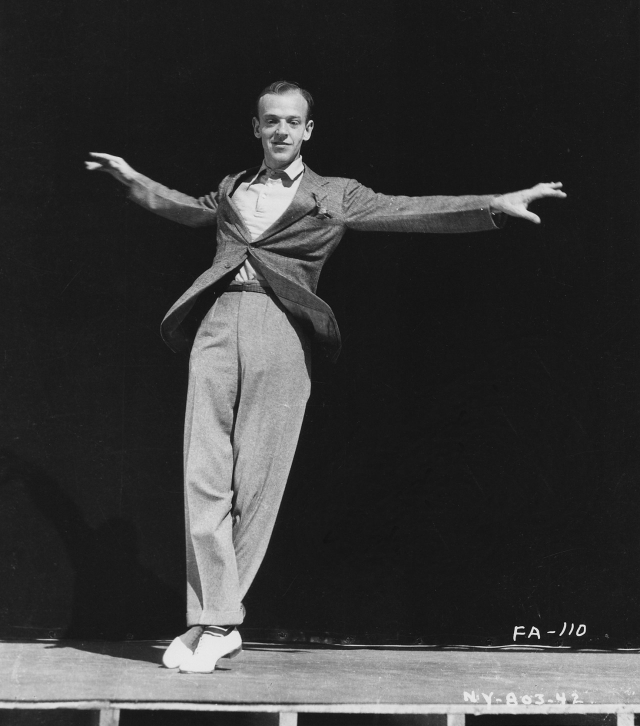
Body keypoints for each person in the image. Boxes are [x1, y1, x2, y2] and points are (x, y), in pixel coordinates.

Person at [85, 80, 566, 673]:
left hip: (281, 328)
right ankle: (217, 618)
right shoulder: (233, 187)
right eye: (271, 120)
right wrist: (132, 178)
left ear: (308, 131)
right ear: (256, 128)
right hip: (217, 321)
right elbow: (188, 208)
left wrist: (494, 203)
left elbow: (408, 209)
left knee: (257, 481)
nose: (281, 130)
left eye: (293, 122)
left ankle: (215, 622)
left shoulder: (336, 193)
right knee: (201, 474)